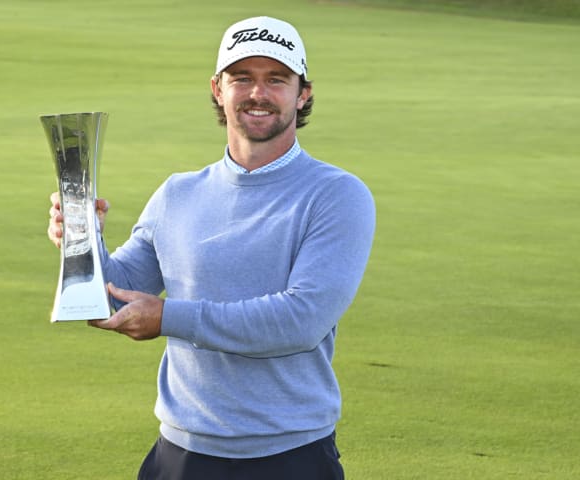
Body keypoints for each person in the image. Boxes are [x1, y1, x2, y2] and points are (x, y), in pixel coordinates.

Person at [48, 16, 375, 480]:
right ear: (218, 89)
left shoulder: (336, 195)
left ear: (303, 93)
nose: (258, 94)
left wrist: (166, 317)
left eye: (276, 80)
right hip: (180, 453)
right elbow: (111, 293)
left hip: (289, 457)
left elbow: (301, 320)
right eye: (242, 78)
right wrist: (81, 243)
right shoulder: (177, 193)